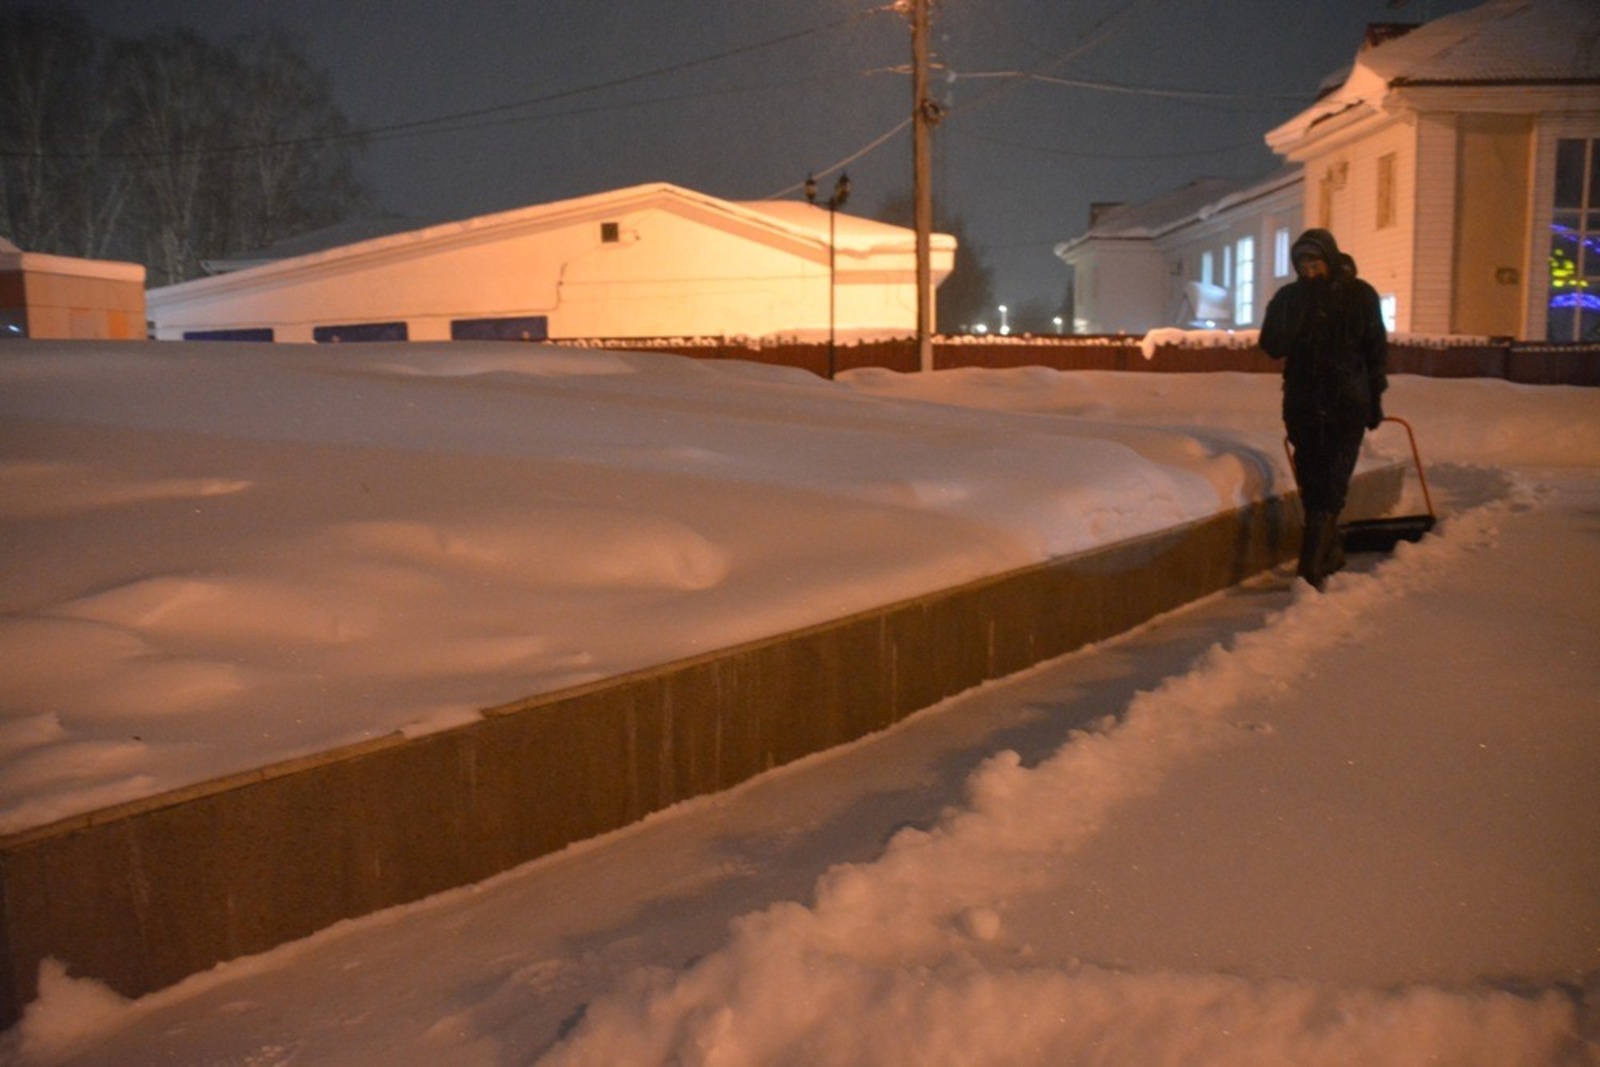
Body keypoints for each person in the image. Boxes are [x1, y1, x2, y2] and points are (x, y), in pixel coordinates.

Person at [1258, 228, 1388, 589]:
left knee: (1334, 477)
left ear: (1329, 259)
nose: (1309, 271)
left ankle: (1309, 567)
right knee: (1312, 478)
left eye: (1315, 262)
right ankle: (1330, 551)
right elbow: (1270, 345)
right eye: (1302, 264)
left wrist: (1375, 398)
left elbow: (1375, 351)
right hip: (1303, 401)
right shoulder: (1288, 298)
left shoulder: (1360, 296)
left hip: (1347, 400)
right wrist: (1294, 319)